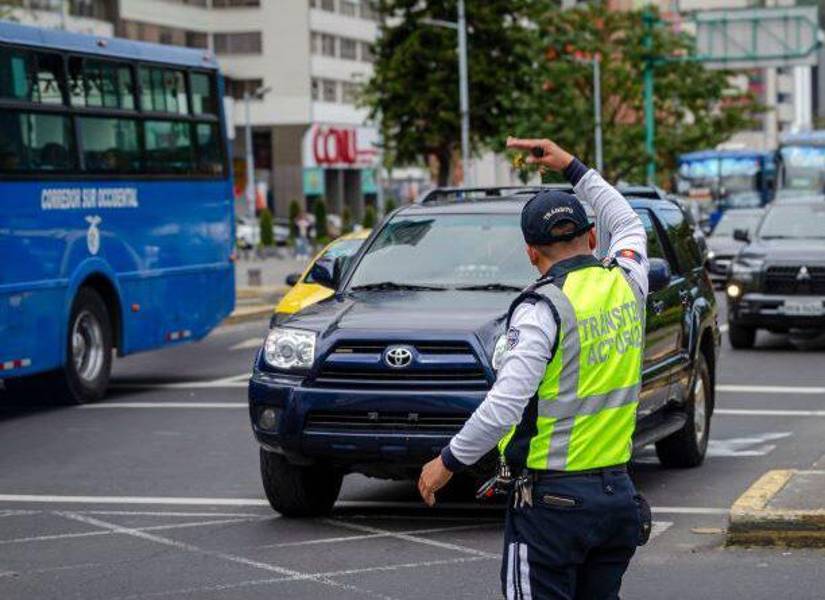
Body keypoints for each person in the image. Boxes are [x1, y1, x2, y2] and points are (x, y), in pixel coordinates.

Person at [418, 137, 651, 599]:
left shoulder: (541, 309)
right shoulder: (628, 281)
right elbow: (625, 220)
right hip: (617, 496)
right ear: (590, 237)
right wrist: (571, 165)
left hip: (553, 508)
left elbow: (504, 405)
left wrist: (446, 462)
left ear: (530, 252)